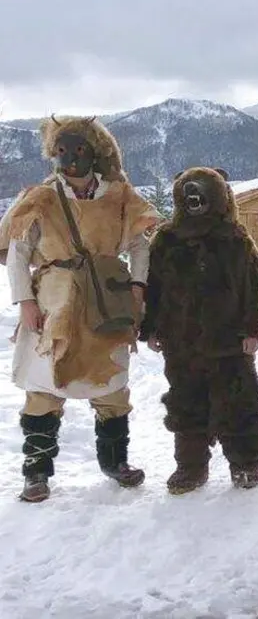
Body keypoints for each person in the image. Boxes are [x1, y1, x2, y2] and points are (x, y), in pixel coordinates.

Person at [0, 115, 160, 502]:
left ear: (96, 152)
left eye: (79, 149)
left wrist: (137, 287)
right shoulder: (41, 196)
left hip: (107, 296)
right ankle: (36, 472)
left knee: (111, 385)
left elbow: (139, 244)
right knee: (46, 385)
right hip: (56, 299)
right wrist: (25, 303)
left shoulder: (119, 195)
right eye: (62, 150)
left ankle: (114, 460)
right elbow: (20, 253)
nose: (70, 158)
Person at [140, 167, 258, 494]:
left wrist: (254, 329)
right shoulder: (166, 240)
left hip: (230, 342)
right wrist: (150, 326)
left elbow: (256, 287)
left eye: (202, 194)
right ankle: (191, 467)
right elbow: (152, 288)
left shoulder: (236, 238)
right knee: (186, 404)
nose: (195, 200)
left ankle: (245, 463)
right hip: (180, 341)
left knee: (239, 404)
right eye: (189, 195)